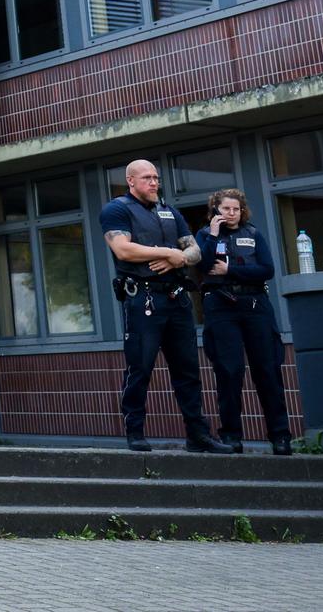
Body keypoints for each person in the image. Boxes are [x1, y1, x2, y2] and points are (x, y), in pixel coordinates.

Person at [101, 159, 234, 454]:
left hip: (176, 299)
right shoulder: (117, 209)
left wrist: (180, 258)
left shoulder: (170, 211)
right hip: (143, 300)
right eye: (146, 178)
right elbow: (123, 248)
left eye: (156, 178)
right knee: (140, 368)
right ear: (131, 181)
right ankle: (135, 432)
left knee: (188, 370)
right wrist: (171, 252)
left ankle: (198, 436)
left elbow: (195, 251)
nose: (153, 182)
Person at [197, 189, 294, 455]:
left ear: (242, 211)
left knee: (267, 370)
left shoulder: (253, 234)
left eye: (235, 209)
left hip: (255, 305)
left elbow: (267, 270)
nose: (231, 213)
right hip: (220, 306)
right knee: (229, 371)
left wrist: (230, 271)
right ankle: (230, 436)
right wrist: (214, 236)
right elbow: (203, 266)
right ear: (215, 210)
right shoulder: (205, 235)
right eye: (225, 209)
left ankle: (280, 436)